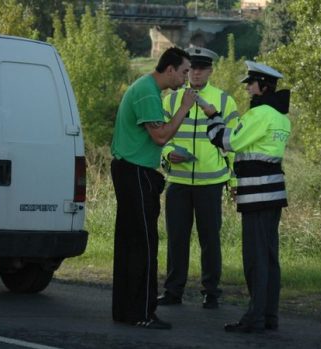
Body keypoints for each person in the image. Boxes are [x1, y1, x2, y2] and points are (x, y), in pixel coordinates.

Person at [111, 47, 216, 330]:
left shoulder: (147, 89)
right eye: (183, 72)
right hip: (136, 173)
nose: (186, 79)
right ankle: (143, 312)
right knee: (144, 245)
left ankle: (125, 310)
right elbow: (159, 136)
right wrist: (184, 107)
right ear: (169, 69)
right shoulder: (148, 93)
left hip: (130, 170)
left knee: (130, 243)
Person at [205, 60, 291, 333]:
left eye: (251, 84)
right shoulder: (281, 117)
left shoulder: (260, 114)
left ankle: (253, 319)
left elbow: (228, 141)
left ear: (263, 86)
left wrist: (212, 116)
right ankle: (269, 316)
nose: (248, 89)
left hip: (257, 194)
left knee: (255, 259)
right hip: (273, 191)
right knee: (269, 258)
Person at [157, 47, 239, 310]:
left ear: (210, 70)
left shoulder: (224, 101)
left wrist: (234, 182)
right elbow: (158, 138)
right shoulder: (170, 100)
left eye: (202, 68)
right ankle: (173, 291)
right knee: (176, 239)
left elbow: (235, 145)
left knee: (210, 241)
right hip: (178, 182)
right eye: (192, 67)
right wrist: (169, 155)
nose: (196, 72)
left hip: (211, 184)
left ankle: (211, 292)